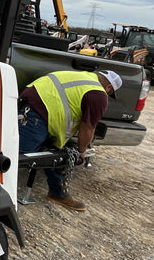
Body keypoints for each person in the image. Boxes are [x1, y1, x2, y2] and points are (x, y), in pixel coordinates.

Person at [17, 69, 122, 212]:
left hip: (32, 101)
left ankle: (57, 193)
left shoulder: (84, 77)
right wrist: (82, 151)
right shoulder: (99, 94)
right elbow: (88, 127)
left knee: (53, 152)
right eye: (109, 93)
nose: (107, 96)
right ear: (109, 87)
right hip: (39, 110)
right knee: (20, 155)